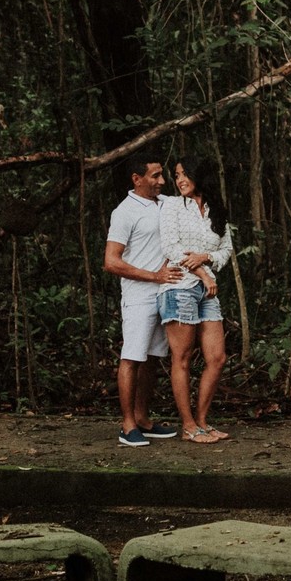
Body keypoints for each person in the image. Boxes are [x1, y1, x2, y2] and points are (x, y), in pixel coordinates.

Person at [103, 154, 184, 447]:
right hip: (139, 296)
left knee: (151, 359)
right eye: (154, 176)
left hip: (165, 294)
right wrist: (154, 276)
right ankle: (127, 426)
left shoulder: (165, 203)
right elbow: (111, 262)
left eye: (162, 175)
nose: (162, 181)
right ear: (137, 180)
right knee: (132, 357)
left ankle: (143, 419)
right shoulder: (124, 212)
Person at [157, 156, 232, 443]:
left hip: (206, 289)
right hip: (179, 286)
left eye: (185, 174)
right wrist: (203, 272)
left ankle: (202, 421)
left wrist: (207, 257)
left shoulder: (217, 209)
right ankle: (188, 426)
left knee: (217, 357)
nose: (180, 181)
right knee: (183, 357)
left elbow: (225, 250)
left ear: (201, 174)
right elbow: (172, 247)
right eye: (176, 176)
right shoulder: (173, 206)